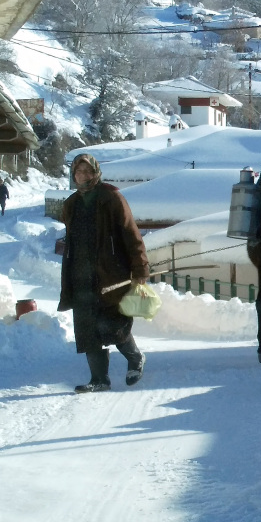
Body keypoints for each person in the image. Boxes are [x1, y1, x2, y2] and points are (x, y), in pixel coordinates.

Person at [57, 154, 150, 393]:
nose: (83, 176)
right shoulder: (72, 204)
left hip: (111, 274)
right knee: (87, 327)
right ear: (73, 175)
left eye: (88, 171)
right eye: (79, 172)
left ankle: (135, 358)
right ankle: (99, 379)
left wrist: (140, 269)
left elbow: (132, 235)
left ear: (96, 172)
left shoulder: (111, 197)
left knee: (113, 325)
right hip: (80, 275)